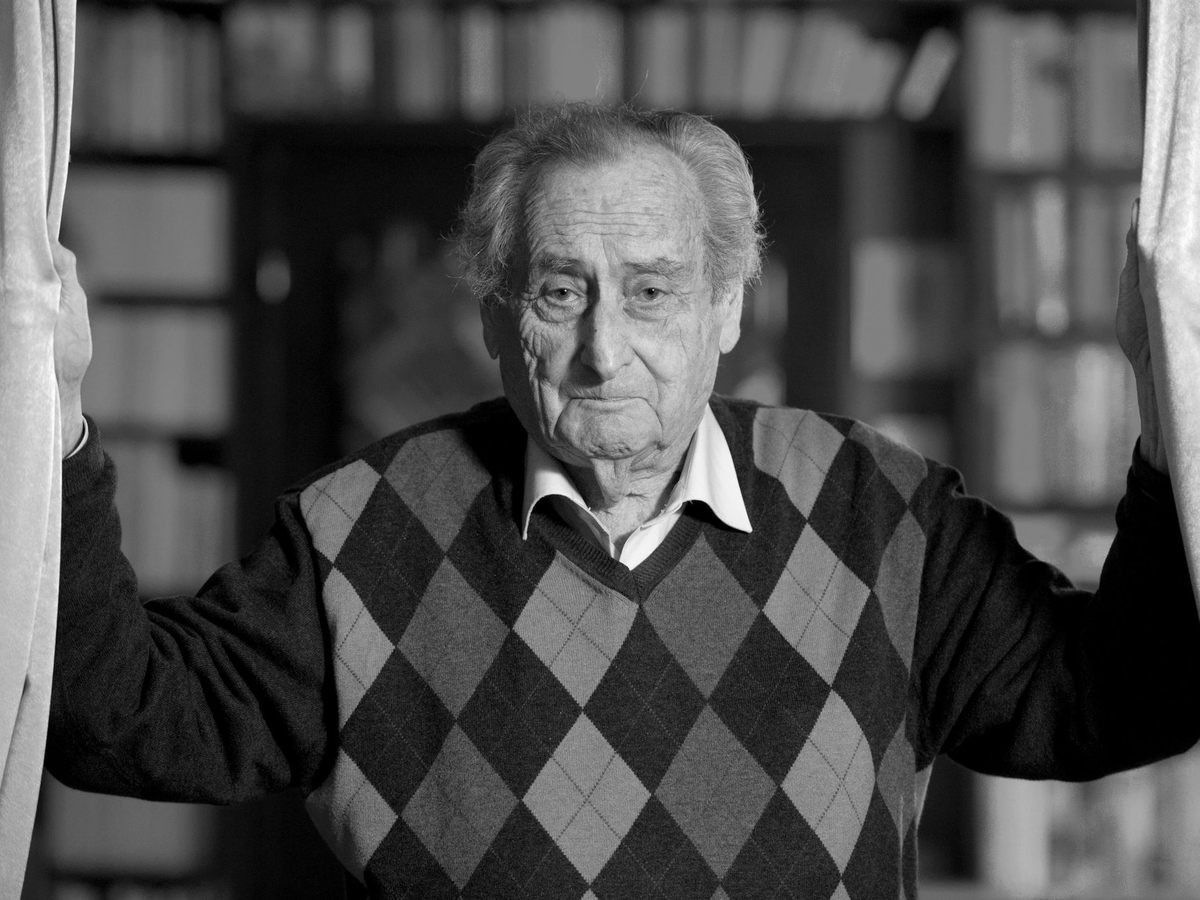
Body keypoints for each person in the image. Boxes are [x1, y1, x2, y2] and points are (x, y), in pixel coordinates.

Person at [49, 103, 1199, 899]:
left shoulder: (881, 512)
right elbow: (115, 719)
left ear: (728, 310)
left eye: (652, 292)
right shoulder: (361, 532)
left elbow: (1128, 698)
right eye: (561, 292)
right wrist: (52, 430)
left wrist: (1174, 419)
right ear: (496, 317)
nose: (606, 351)